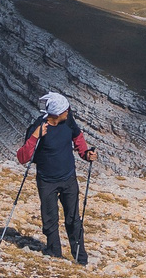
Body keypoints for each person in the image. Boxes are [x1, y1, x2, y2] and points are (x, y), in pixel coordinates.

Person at [16, 91, 96, 266]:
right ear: (57, 113)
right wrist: (36, 135)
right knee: (50, 218)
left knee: (73, 218)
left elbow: (77, 137)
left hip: (68, 178)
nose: (69, 112)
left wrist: (85, 153)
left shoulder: (68, 121)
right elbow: (23, 157)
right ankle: (54, 254)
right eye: (66, 110)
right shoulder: (38, 127)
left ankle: (80, 259)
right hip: (46, 181)